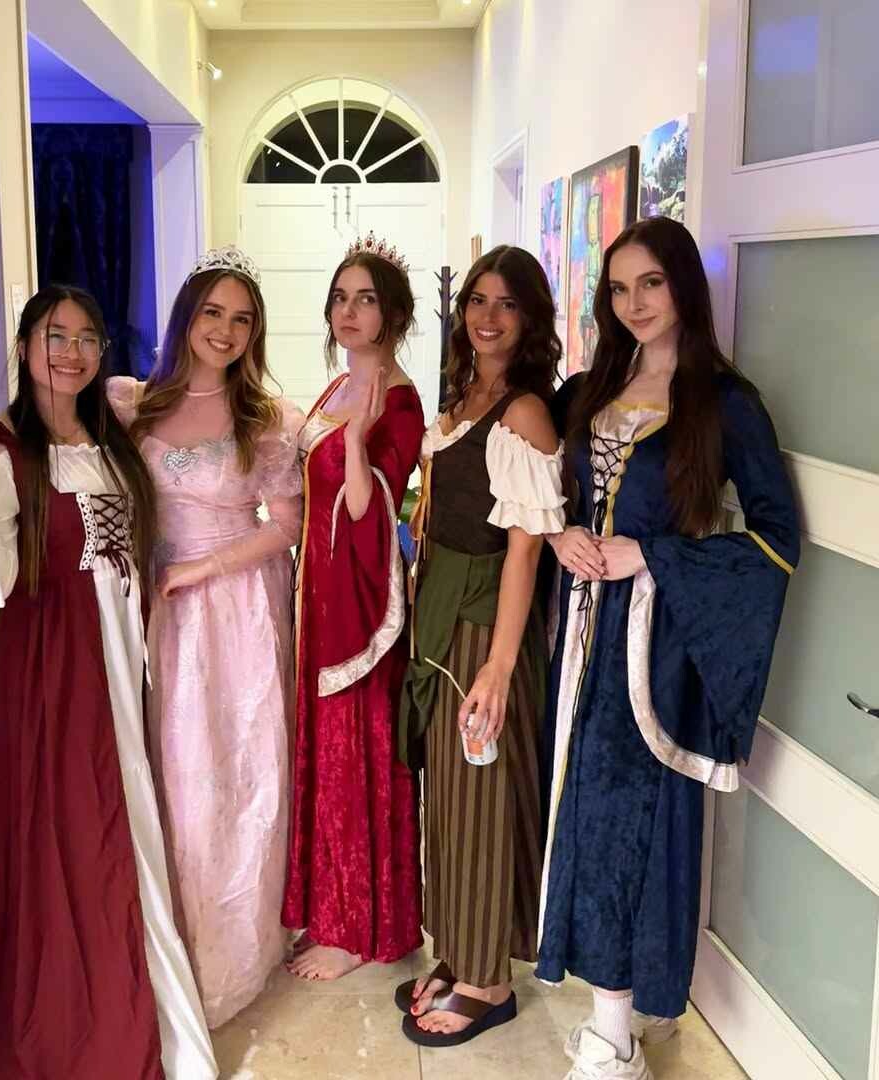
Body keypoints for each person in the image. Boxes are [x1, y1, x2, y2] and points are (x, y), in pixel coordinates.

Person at [0, 285, 217, 1079]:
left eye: (87, 338)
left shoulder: (111, 437)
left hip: (119, 656)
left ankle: (137, 993)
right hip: (51, 662)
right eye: (55, 336)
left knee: (122, 810)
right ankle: (75, 1009)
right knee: (65, 821)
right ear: (26, 344)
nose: (72, 352)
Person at [537, 217, 799, 1080]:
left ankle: (613, 1035)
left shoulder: (725, 403)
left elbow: (777, 538)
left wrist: (651, 555)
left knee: (631, 822)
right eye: (619, 288)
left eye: (650, 282)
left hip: (652, 646)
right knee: (581, 810)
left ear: (684, 283)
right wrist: (564, 534)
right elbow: (556, 493)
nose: (635, 302)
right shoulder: (588, 389)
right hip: (579, 635)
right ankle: (612, 1016)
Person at [107, 246, 303, 1029]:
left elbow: (285, 526)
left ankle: (240, 951)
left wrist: (203, 569)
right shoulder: (133, 404)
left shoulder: (269, 419)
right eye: (213, 313)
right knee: (181, 771)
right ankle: (179, 942)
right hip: (163, 607)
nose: (225, 330)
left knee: (243, 765)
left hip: (240, 607)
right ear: (187, 317)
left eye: (242, 319)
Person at [396, 246, 566, 1047]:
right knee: (450, 798)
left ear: (530, 318)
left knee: (483, 797)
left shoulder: (524, 413)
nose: (487, 317)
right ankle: (460, 950)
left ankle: (489, 982)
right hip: (440, 614)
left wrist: (498, 667)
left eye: (506, 304)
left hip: (483, 624)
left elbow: (525, 551)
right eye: (476, 300)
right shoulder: (466, 397)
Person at [283, 234, 425, 982]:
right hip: (318, 589)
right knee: (324, 749)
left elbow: (371, 512)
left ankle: (358, 928)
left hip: (362, 603)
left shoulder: (398, 399)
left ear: (393, 315)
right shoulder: (336, 387)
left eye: (365, 299)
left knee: (355, 753)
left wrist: (362, 441)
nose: (349, 311)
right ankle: (328, 906)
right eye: (340, 297)